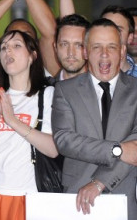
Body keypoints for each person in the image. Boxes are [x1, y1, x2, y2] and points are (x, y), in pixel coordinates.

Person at [52, 18, 137, 219]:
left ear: (123, 51)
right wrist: (117, 150)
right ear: (85, 52)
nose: (104, 54)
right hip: (76, 199)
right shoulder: (65, 90)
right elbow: (64, 140)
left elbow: (135, 150)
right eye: (97, 47)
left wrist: (100, 183)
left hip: (123, 195)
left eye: (112, 47)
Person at [0, 30, 58, 220]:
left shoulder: (47, 94)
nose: (8, 51)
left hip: (26, 194)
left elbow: (53, 149)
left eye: (16, 46)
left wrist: (13, 121)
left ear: (32, 56)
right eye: (3, 48)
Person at [53, 14, 90, 81]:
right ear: (55, 48)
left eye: (79, 45)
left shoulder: (104, 89)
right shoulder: (46, 90)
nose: (71, 53)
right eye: (64, 44)